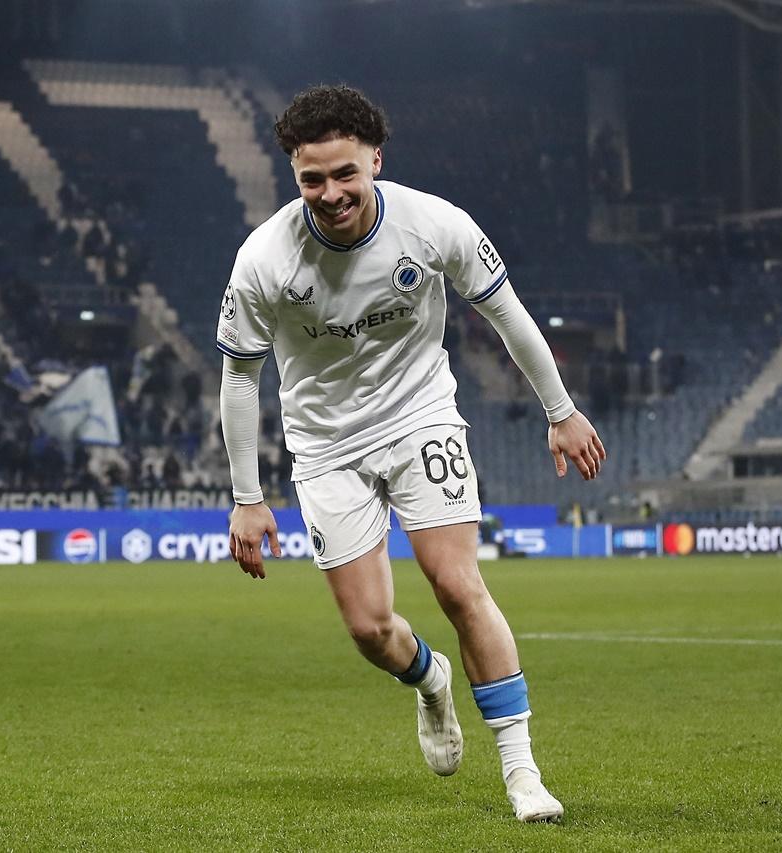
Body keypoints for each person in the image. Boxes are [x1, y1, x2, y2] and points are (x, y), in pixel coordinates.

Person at [216, 85, 605, 823]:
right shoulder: (264, 258)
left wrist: (561, 410)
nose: (330, 194)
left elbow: (506, 312)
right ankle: (430, 682)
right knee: (369, 628)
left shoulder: (433, 224)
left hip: (421, 418)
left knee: (458, 585)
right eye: (311, 179)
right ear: (294, 174)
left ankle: (522, 772)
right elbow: (240, 373)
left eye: (345, 174)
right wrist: (246, 494)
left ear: (375, 161)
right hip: (326, 446)